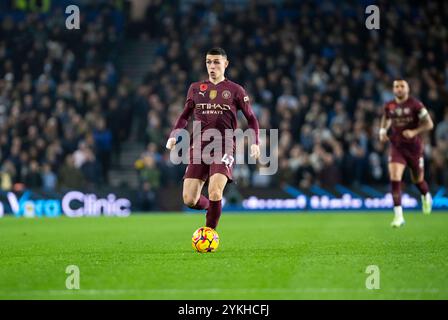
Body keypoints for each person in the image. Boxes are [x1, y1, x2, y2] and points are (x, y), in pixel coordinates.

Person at [165, 47, 260, 230]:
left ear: (225, 64)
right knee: (189, 199)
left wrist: (255, 142)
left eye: (216, 62)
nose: (212, 66)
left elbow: (252, 118)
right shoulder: (195, 88)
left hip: (224, 145)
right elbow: (185, 116)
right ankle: (211, 208)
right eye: (209, 62)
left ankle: (209, 234)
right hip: (199, 146)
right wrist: (174, 134)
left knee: (215, 190)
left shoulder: (235, 90)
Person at [379, 79, 434, 227]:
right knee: (395, 178)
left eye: (402, 86)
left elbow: (429, 124)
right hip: (397, 147)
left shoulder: (416, 105)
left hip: (414, 149)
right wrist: (383, 130)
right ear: (393, 89)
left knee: (417, 180)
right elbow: (386, 118)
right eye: (396, 86)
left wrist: (414, 131)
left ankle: (425, 195)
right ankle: (398, 216)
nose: (399, 89)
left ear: (407, 89)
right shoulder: (389, 105)